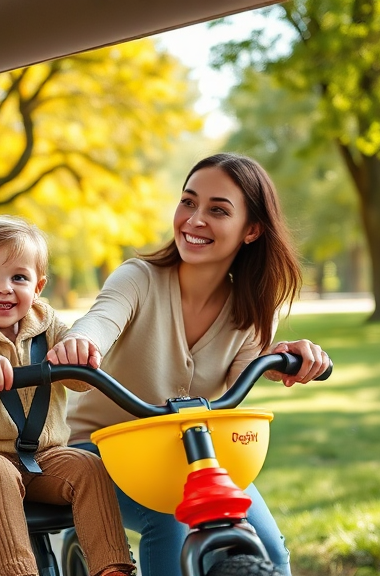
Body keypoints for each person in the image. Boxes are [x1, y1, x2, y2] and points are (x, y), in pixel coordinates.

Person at [48, 153, 331, 576]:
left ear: (251, 230)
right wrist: (80, 343)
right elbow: (100, 321)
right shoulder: (138, 278)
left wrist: (274, 361)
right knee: (168, 515)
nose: (194, 219)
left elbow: (240, 378)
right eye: (188, 202)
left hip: (189, 455)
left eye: (218, 210)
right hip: (99, 450)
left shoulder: (254, 308)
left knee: (268, 547)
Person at [0, 215, 136, 576]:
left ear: (38, 286)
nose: (4, 288)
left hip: (42, 458)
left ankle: (111, 568)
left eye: (18, 277)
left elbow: (81, 380)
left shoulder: (47, 323)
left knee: (88, 466)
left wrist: (80, 353)